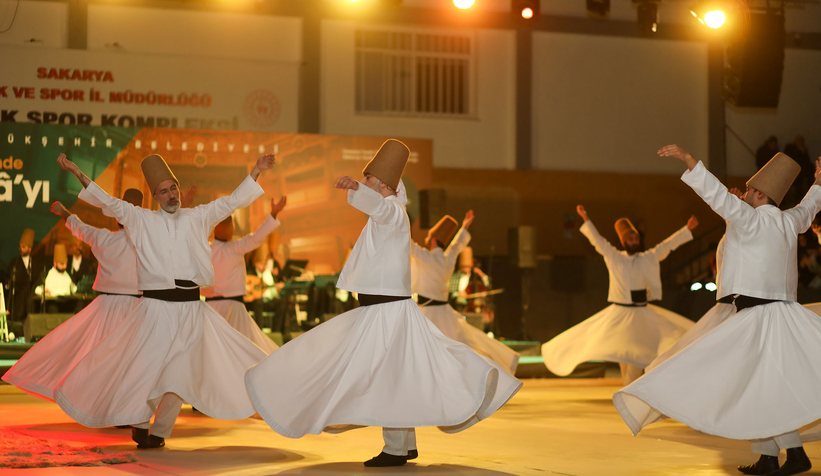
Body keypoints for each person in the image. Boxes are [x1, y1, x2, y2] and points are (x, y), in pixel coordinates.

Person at [245, 139, 522, 467]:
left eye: (368, 181)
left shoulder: (391, 212)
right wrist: (361, 191)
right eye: (363, 181)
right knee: (397, 373)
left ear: (384, 186)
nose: (364, 185)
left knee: (387, 374)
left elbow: (379, 206)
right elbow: (378, 209)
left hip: (387, 312)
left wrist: (353, 189)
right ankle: (404, 444)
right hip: (383, 310)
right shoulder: (389, 214)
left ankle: (395, 448)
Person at [614, 146, 821, 476]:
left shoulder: (750, 219)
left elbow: (716, 195)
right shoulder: (788, 221)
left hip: (756, 317)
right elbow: (810, 206)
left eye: (751, 190)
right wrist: (820, 182)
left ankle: (791, 455)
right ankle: (773, 454)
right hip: (781, 315)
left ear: (759, 194)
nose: (746, 193)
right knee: (764, 386)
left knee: (757, 385)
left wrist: (689, 161)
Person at [53, 152, 272, 449]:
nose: (171, 195)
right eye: (164, 191)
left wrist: (256, 170)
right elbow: (109, 202)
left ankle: (159, 432)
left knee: (181, 373)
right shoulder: (141, 219)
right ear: (155, 196)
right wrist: (78, 171)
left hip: (192, 309)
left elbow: (232, 201)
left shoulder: (198, 216)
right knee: (151, 369)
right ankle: (141, 421)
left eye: (174, 189)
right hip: (156, 309)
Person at [2, 191, 144, 400]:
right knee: (125, 358)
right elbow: (83, 230)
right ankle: (117, 402)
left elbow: (82, 229)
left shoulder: (115, 239)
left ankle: (114, 402)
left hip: (112, 307)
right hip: (130, 306)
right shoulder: (143, 242)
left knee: (105, 357)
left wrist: (64, 212)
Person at [541, 207, 696, 386]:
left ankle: (629, 394)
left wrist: (687, 229)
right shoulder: (615, 257)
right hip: (620, 315)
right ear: (624, 241)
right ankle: (627, 394)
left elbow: (666, 246)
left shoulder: (647, 258)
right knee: (625, 360)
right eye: (630, 239)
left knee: (637, 359)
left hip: (642, 315)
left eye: (636, 238)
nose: (634, 241)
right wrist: (586, 219)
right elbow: (598, 242)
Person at [411, 212, 519, 374]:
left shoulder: (426, 256)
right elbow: (456, 246)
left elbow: (408, 244)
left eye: (428, 237)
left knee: (423, 350)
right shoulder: (447, 259)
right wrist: (464, 227)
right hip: (444, 313)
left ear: (433, 240)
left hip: (427, 314)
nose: (426, 239)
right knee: (458, 347)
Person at [201, 196, 287, 355]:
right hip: (235, 309)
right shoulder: (235, 248)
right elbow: (257, 237)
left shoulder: (205, 251)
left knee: (213, 352)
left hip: (211, 309)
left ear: (213, 231)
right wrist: (273, 214)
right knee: (246, 351)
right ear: (231, 233)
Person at [5, 229, 44, 336]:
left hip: (31, 299)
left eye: (24, 247)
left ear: (30, 249)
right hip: (19, 300)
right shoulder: (15, 263)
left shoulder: (36, 264)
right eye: (20, 247)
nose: (21, 249)